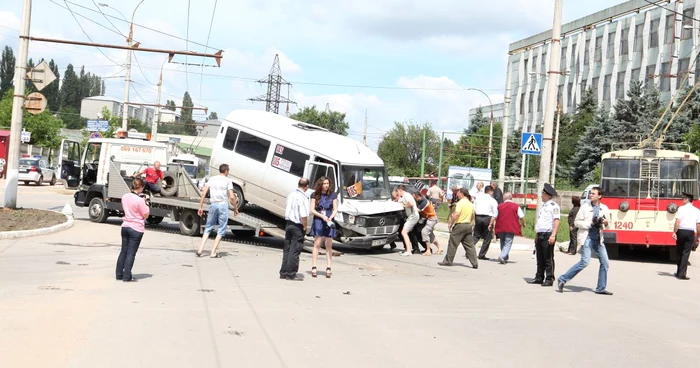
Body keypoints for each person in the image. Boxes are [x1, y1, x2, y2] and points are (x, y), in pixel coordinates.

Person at [557, 187, 613, 295]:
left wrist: (605, 222)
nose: (591, 195)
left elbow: (609, 223)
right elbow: (576, 222)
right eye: (590, 193)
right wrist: (590, 223)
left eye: (593, 194)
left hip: (599, 239)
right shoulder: (584, 208)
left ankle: (600, 288)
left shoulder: (604, 208)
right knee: (584, 262)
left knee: (605, 263)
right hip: (587, 238)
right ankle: (563, 279)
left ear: (599, 196)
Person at [196, 164, 239, 258]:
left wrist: (200, 206)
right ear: (226, 171)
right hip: (223, 205)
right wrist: (236, 208)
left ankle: (200, 249)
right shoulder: (228, 181)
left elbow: (203, 192)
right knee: (221, 229)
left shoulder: (212, 179)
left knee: (208, 227)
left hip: (213, 204)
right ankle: (213, 253)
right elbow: (232, 197)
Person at [116, 177, 150, 282]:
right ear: (141, 188)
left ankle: (119, 274)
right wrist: (146, 203)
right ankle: (127, 276)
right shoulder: (140, 200)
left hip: (125, 225)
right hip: (136, 228)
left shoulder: (125, 196)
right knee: (131, 253)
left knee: (123, 251)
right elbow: (146, 215)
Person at [528, 183, 561, 287]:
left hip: (548, 234)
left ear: (547, 195)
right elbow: (541, 222)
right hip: (541, 234)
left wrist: (553, 235)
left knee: (548, 258)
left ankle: (549, 278)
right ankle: (539, 277)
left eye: (542, 193)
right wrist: (537, 234)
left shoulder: (554, 206)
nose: (541, 195)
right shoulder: (544, 206)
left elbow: (556, 220)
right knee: (540, 257)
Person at [279, 178, 311, 281]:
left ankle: (283, 272)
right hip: (297, 226)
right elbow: (304, 215)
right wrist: (305, 226)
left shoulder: (291, 195)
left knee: (287, 249)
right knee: (295, 249)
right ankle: (291, 273)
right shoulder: (303, 197)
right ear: (307, 186)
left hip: (288, 224)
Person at [438, 188, 478, 268]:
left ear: (462, 194)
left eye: (458, 193)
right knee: (469, 245)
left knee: (453, 243)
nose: (457, 195)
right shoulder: (470, 204)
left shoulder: (460, 203)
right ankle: (474, 263)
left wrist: (450, 223)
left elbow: (456, 214)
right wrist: (469, 222)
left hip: (460, 225)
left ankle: (448, 261)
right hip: (468, 225)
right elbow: (473, 215)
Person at [309, 176, 338, 278]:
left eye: (328, 184)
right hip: (319, 220)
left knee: (328, 244)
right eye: (324, 183)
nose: (326, 185)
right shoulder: (314, 195)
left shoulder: (333, 195)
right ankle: (314, 266)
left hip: (329, 220)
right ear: (320, 184)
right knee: (317, 243)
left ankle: (329, 267)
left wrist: (330, 217)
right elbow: (312, 210)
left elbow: (335, 209)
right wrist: (322, 216)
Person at [672, 191, 700, 280]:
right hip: (690, 232)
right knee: (685, 253)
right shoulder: (697, 211)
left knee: (679, 251)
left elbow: (677, 221)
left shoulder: (681, 209)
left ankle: (678, 272)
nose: (682, 200)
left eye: (683, 198)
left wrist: (674, 232)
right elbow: (698, 225)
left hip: (681, 231)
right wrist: (698, 236)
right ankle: (681, 274)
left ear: (687, 200)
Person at [494, 192, 525, 264]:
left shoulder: (499, 206)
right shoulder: (516, 206)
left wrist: (491, 224)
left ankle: (505, 257)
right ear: (511, 198)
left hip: (501, 227)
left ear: (504, 198)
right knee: (508, 242)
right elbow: (522, 217)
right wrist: (523, 223)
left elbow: (494, 216)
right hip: (511, 227)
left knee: (502, 241)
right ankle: (502, 256)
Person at [412, 191, 442, 256]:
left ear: (418, 196)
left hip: (432, 219)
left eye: (414, 198)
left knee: (424, 232)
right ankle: (439, 248)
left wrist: (411, 205)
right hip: (429, 219)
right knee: (430, 235)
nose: (414, 199)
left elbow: (418, 210)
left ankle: (428, 250)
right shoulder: (420, 201)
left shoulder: (424, 202)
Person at [474, 186, 499, 260]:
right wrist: (491, 223)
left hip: (478, 217)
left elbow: (474, 209)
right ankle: (481, 255)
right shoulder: (492, 200)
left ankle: (469, 252)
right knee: (487, 238)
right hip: (487, 219)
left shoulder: (478, 198)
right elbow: (495, 213)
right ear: (490, 191)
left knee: (476, 235)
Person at [397, 185, 420, 256]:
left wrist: (404, 206)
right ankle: (408, 249)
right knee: (406, 232)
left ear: (400, 190)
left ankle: (408, 251)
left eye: (398, 191)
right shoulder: (403, 197)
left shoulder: (407, 195)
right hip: (411, 216)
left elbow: (411, 203)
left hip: (413, 216)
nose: (398, 193)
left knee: (404, 232)